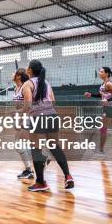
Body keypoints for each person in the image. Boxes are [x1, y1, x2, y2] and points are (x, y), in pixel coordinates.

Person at [23, 60, 74, 192]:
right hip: (52, 116)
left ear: (29, 70)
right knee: (55, 147)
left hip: (38, 118)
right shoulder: (47, 83)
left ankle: (41, 182)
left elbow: (28, 105)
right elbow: (53, 101)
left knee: (36, 150)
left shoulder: (27, 84)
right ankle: (68, 176)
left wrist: (18, 113)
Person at [13, 69, 51, 180]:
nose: (12, 74)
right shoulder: (16, 88)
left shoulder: (26, 87)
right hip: (23, 117)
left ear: (19, 76)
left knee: (19, 144)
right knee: (22, 144)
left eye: (14, 73)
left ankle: (32, 168)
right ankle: (34, 165)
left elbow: (28, 105)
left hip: (28, 118)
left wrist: (21, 119)